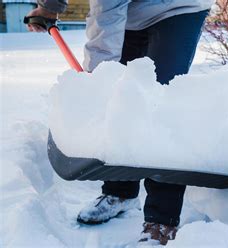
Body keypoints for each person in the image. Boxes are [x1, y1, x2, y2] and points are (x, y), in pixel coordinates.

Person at [26, 0, 213, 245]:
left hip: (178, 7)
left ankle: (161, 219)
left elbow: (106, 20)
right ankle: (120, 193)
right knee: (120, 93)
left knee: (161, 100)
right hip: (130, 11)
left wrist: (96, 81)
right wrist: (50, 5)